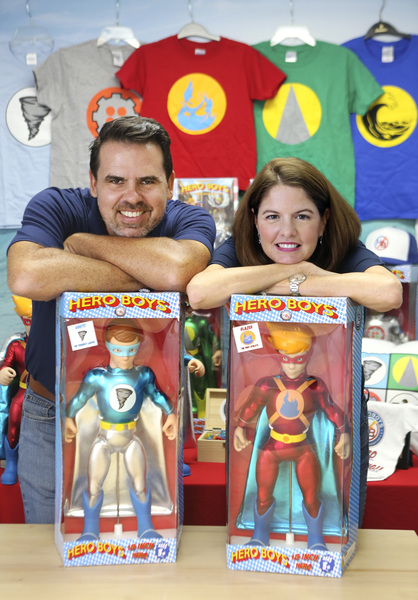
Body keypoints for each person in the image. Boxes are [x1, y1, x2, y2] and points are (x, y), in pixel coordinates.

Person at [7, 115, 216, 524]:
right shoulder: (57, 206)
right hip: (52, 416)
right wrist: (151, 280)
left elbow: (178, 271)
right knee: (49, 554)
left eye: (147, 181)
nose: (131, 197)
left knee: (147, 545)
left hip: (149, 416)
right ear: (93, 182)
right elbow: (27, 275)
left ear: (170, 184)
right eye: (116, 181)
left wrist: (82, 247)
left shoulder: (191, 220)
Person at [187, 157, 403, 525]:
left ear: (324, 219)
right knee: (259, 514)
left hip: (333, 409)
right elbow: (200, 292)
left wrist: (301, 277)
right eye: (272, 217)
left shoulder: (344, 249)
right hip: (266, 412)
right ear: (255, 219)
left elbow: (388, 293)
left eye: (302, 216)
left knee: (333, 522)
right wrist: (294, 271)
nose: (287, 231)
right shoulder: (239, 248)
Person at [233, 323, 349, 549]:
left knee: (311, 497)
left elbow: (331, 410)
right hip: (271, 448)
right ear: (279, 357)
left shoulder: (315, 386)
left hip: (303, 449)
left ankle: (315, 538)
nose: (292, 365)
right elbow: (251, 407)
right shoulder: (267, 385)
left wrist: (344, 432)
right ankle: (259, 535)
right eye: (286, 358)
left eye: (299, 359)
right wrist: (240, 427)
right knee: (263, 494)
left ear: (308, 357)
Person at [65, 319, 176, 541]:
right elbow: (79, 398)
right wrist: (68, 417)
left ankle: (145, 528)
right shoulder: (97, 377)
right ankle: (90, 531)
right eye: (118, 350)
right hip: (103, 438)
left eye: (131, 350)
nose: (125, 356)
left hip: (131, 438)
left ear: (139, 346)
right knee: (93, 486)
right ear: (107, 346)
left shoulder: (143, 375)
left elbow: (156, 395)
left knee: (140, 484)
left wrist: (171, 413)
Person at [0, 296, 31, 485]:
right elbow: (6, 363)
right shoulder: (17, 345)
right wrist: (3, 372)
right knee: (14, 424)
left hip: (47, 395)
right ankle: (11, 464)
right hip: (23, 392)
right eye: (28, 322)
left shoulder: (54, 343)